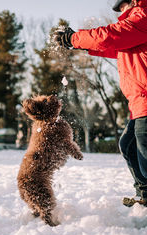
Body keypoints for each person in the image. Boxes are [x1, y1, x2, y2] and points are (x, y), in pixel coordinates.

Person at [56, 0, 147, 207]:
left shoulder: (142, 15)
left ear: (133, 1)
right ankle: (145, 195)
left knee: (144, 155)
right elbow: (116, 48)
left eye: (122, 7)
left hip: (145, 100)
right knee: (129, 145)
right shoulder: (138, 24)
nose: (121, 12)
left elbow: (113, 36)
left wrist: (75, 38)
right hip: (139, 103)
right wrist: (80, 45)